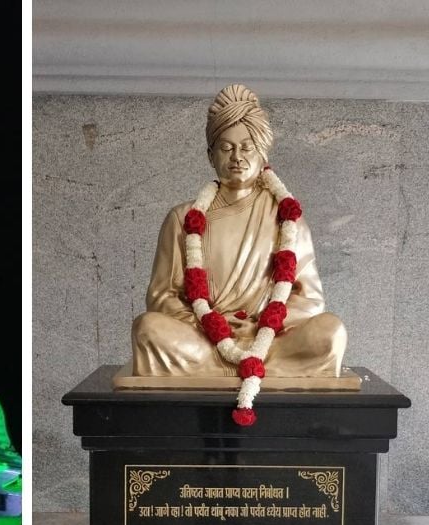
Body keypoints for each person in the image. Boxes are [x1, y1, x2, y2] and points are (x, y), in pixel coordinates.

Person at [131, 85, 346, 381]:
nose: (237, 157)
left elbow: (309, 298)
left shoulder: (286, 218)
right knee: (148, 329)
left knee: (331, 332)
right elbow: (161, 296)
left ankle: (233, 369)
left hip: (271, 341)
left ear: (262, 154)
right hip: (202, 340)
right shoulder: (182, 218)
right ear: (211, 155)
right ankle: (233, 367)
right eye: (226, 147)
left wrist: (263, 327)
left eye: (247, 147)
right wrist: (207, 324)